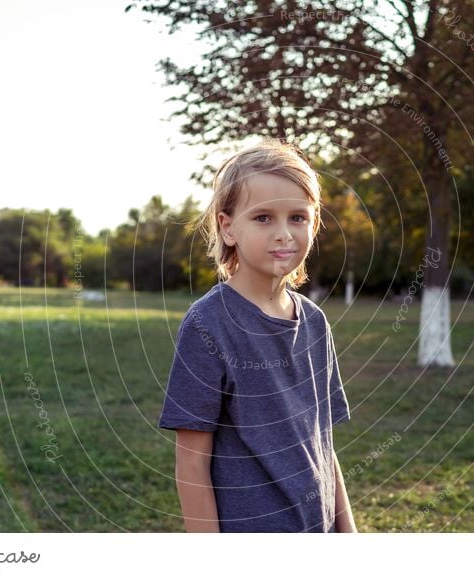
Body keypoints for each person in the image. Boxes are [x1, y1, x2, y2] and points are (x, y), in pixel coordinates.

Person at [158, 139, 356, 533]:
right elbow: (192, 462)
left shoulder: (315, 322)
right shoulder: (208, 324)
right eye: (263, 217)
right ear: (228, 227)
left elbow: (323, 442)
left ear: (314, 225)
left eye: (298, 218)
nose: (284, 234)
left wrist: (347, 531)